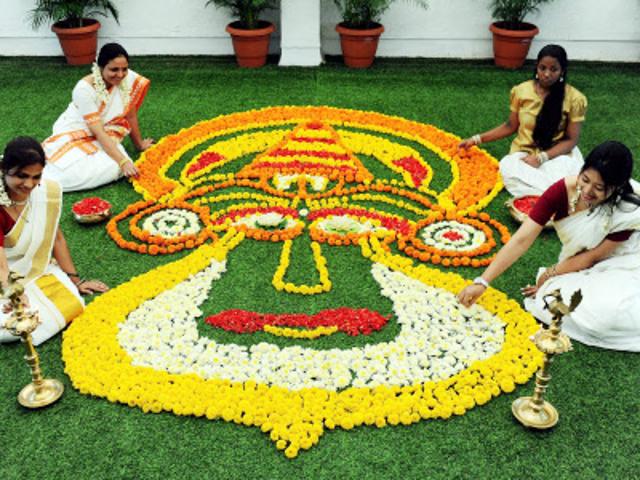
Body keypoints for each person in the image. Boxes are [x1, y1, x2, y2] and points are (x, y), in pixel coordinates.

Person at [458, 141, 640, 352]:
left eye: (599, 188)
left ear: (616, 188)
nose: (587, 191)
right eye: (585, 179)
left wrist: (549, 274)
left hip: (625, 260)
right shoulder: (560, 192)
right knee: (560, 302)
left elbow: (591, 258)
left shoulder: (627, 212)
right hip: (583, 261)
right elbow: (521, 239)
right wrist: (482, 281)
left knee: (611, 313)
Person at [0, 137, 108, 346]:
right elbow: (2, 266)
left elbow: (56, 237)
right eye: (22, 176)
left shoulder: (46, 192)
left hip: (33, 268)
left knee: (73, 303)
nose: (29, 184)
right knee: (11, 326)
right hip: (3, 271)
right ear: (5, 169)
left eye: (36, 176)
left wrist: (76, 280)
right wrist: (13, 294)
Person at [459, 44, 588, 198]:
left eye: (553, 69)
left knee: (567, 172)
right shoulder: (521, 91)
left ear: (562, 71)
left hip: (556, 154)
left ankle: (550, 194)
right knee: (508, 167)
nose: (547, 74)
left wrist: (542, 158)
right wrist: (476, 139)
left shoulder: (575, 99)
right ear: (536, 68)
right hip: (524, 154)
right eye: (542, 68)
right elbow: (510, 126)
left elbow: (571, 139)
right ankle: (554, 194)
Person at [42, 43, 153, 192]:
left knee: (114, 168)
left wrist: (139, 144)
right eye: (114, 70)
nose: (120, 75)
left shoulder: (127, 78)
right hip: (78, 130)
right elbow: (98, 132)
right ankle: (37, 178)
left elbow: (130, 114)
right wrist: (123, 161)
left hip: (106, 134)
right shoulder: (83, 89)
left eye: (124, 69)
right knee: (67, 167)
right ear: (100, 67)